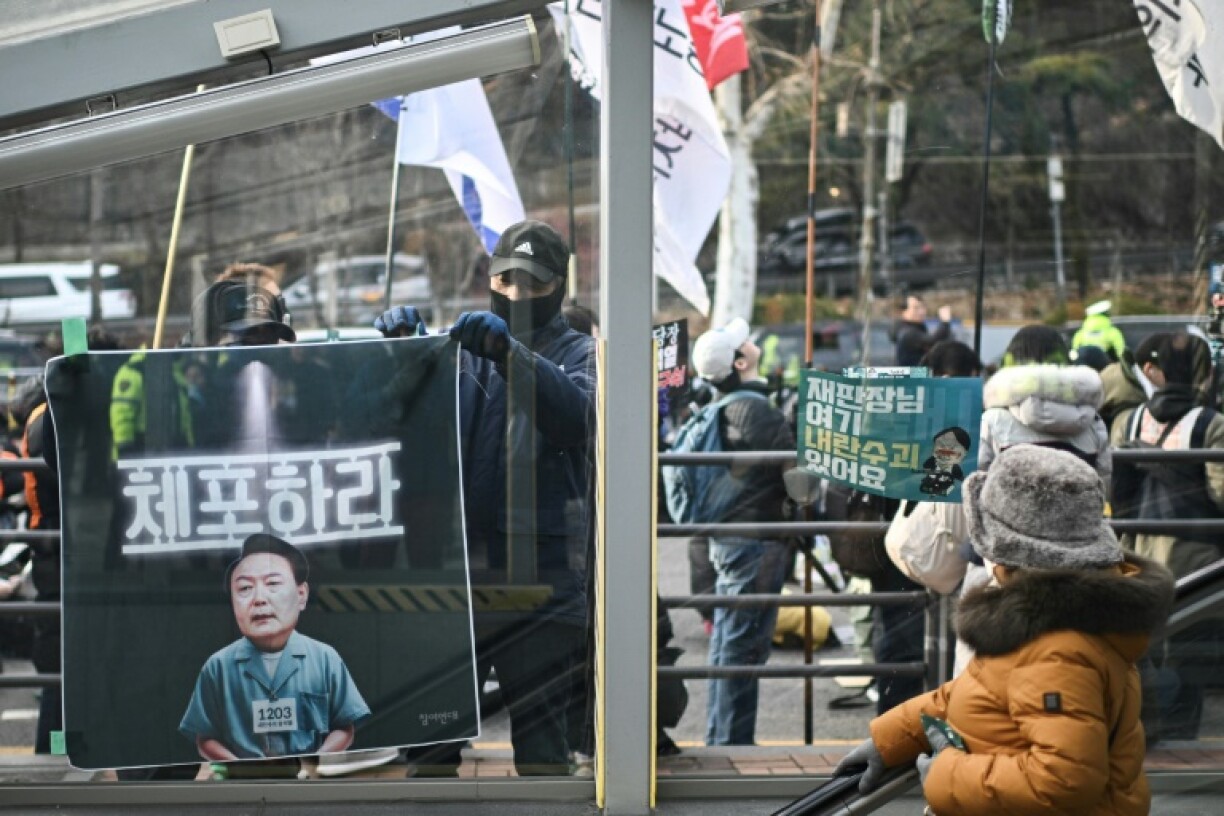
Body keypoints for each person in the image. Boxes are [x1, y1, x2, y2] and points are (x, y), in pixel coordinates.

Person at [836, 445, 1175, 815]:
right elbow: (983, 690)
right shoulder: (1053, 623)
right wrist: (892, 738)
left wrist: (946, 773)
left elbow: (1063, 780)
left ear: (1005, 553)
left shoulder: (1057, 649)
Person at [374, 219, 596, 775]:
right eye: (507, 282)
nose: (517, 294)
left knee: (545, 756)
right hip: (453, 583)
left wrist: (510, 354)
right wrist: (403, 357)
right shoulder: (462, 353)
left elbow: (577, 418)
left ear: (560, 287)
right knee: (428, 749)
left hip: (540, 586)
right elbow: (391, 427)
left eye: (534, 285)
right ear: (491, 280)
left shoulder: (582, 353)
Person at [1111, 331, 1224, 740]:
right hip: (1194, 557)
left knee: (1144, 652)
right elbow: (1221, 493)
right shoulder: (1211, 424)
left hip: (1136, 556)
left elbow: (1116, 493)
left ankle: (1147, 734)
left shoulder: (1128, 421)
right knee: (1189, 654)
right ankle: (1184, 739)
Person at [688, 317, 794, 745]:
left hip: (732, 538)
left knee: (731, 643)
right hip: (755, 541)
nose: (751, 342)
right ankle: (731, 745)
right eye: (743, 342)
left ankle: (723, 739)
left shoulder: (723, 405)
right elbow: (795, 474)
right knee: (741, 646)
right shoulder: (754, 409)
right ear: (737, 362)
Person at [180, 534, 369, 760]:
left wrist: (314, 762)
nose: (259, 598)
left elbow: (345, 726)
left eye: (272, 584)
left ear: (301, 595)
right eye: (245, 588)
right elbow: (205, 737)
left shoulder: (325, 658)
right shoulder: (217, 667)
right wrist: (240, 769)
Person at [892, 295, 951, 367]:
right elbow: (932, 341)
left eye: (922, 307)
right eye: (916, 308)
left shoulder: (918, 327)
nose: (921, 312)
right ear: (903, 311)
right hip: (908, 374)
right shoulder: (907, 332)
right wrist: (945, 322)